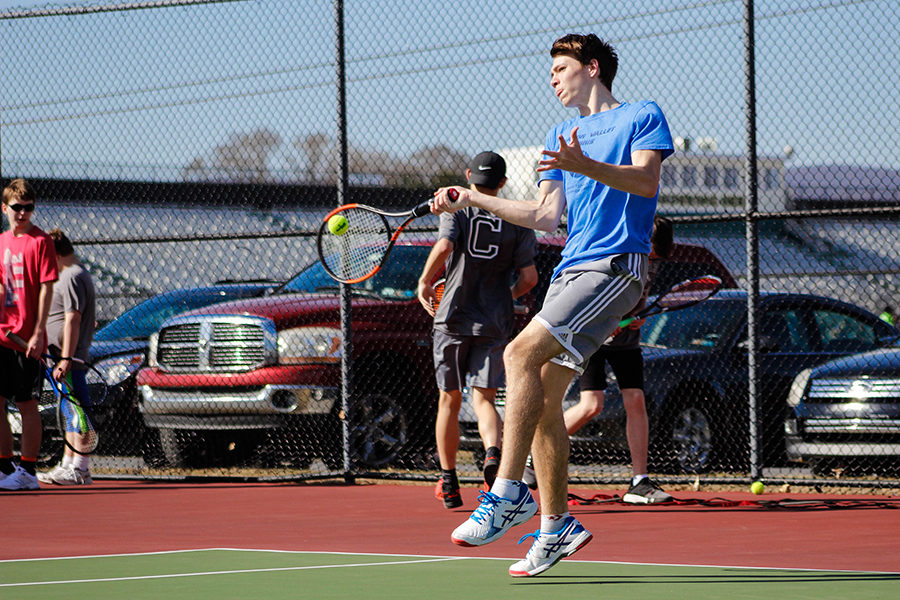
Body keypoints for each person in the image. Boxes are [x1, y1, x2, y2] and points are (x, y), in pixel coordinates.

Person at [430, 33, 673, 576]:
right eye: (551, 71)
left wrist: (586, 166)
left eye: (561, 67)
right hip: (570, 272)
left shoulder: (641, 115)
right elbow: (544, 216)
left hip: (615, 265)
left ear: (591, 68)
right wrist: (473, 198)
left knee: (518, 356)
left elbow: (646, 179)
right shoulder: (558, 134)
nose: (553, 78)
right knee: (542, 402)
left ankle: (507, 492)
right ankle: (557, 524)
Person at [522, 216, 674, 504]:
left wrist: (635, 318)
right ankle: (533, 456)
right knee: (592, 405)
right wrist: (607, 320)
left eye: (656, 253)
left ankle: (639, 481)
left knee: (636, 400)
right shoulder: (619, 251)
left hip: (627, 343)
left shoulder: (651, 260)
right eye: (651, 249)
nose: (652, 257)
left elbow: (637, 298)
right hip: (595, 337)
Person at [417, 151, 538, 509]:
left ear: (470, 175)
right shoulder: (516, 217)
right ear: (502, 182)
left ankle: (449, 482)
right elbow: (529, 278)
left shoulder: (459, 207)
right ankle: (491, 453)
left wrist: (425, 281)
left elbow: (444, 245)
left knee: (449, 400)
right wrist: (507, 294)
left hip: (453, 315)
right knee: (484, 398)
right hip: (494, 320)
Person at [0, 178, 59, 491]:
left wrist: (37, 332)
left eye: (28, 208)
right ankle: (5, 465)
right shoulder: (0, 242)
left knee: (26, 404)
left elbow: (47, 288)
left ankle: (27, 471)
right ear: (4, 208)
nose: (22, 213)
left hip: (27, 338)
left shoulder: (40, 242)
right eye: (17, 207)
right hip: (3, 337)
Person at [38, 228, 97, 486]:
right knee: (69, 409)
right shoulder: (65, 275)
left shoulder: (73, 275)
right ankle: (68, 465)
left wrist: (66, 357)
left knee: (78, 412)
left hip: (67, 361)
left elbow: (74, 318)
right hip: (57, 358)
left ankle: (80, 468)